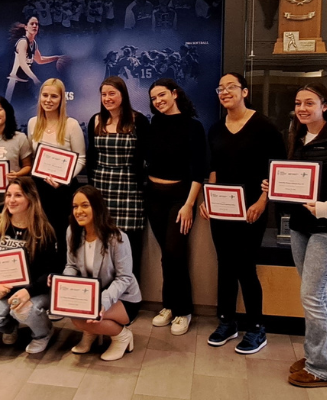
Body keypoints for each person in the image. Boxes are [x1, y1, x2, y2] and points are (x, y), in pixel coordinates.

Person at [261, 84, 327, 387]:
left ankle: (323, 369)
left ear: (325, 105)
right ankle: (316, 356)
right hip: (300, 226)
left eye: (310, 102)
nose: (303, 108)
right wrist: (274, 188)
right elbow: (296, 184)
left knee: (312, 295)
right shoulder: (298, 136)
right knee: (313, 296)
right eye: (298, 103)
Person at [198, 72, 286, 354]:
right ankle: (227, 321)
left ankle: (257, 327)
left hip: (251, 209)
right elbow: (212, 169)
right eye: (220, 88)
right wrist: (209, 198)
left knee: (246, 267)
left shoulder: (265, 127)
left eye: (231, 87)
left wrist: (262, 202)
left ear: (245, 91)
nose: (225, 92)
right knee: (224, 265)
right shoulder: (215, 128)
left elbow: (277, 170)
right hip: (222, 208)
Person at [146, 78, 207, 336]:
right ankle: (168, 305)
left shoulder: (193, 126)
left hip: (179, 198)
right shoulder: (154, 124)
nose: (158, 101)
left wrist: (188, 204)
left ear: (174, 94)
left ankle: (184, 310)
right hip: (153, 196)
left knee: (175, 253)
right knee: (166, 255)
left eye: (162, 95)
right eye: (153, 98)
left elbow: (199, 170)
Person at [0, 177, 60, 353]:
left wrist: (29, 291)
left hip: (34, 290)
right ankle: (10, 327)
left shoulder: (43, 230)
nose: (11, 200)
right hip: (2, 288)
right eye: (8, 195)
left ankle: (43, 333)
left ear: (30, 198)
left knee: (24, 310)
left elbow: (50, 271)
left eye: (18, 195)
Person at [63, 185, 142, 361]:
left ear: (97, 207)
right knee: (75, 314)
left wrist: (103, 302)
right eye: (75, 207)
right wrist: (65, 285)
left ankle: (122, 336)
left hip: (124, 298)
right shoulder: (72, 232)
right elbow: (72, 266)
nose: (79, 211)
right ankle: (91, 331)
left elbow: (124, 278)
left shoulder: (117, 238)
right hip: (92, 294)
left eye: (85, 205)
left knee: (84, 316)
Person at [86, 76, 149, 280]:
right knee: (103, 244)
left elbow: (145, 157)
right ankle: (104, 292)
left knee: (129, 246)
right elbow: (91, 157)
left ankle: (129, 298)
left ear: (123, 95)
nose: (107, 98)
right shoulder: (95, 120)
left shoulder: (138, 120)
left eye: (112, 93)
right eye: (104, 94)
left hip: (129, 189)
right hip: (101, 189)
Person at [27, 78, 85, 259]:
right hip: (40, 188)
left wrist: (63, 179)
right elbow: (33, 156)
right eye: (45, 95)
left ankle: (63, 275)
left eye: (54, 96)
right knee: (42, 234)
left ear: (62, 99)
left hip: (64, 189)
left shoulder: (71, 124)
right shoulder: (32, 123)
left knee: (63, 234)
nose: (48, 100)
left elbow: (81, 158)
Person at [5, 16, 61, 103]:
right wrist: (35, 78)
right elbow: (23, 63)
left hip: (25, 83)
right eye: (32, 24)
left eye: (37, 24)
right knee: (11, 111)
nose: (35, 26)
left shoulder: (34, 43)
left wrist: (57, 57)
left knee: (30, 108)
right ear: (26, 27)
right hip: (15, 83)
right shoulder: (23, 42)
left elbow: (40, 60)